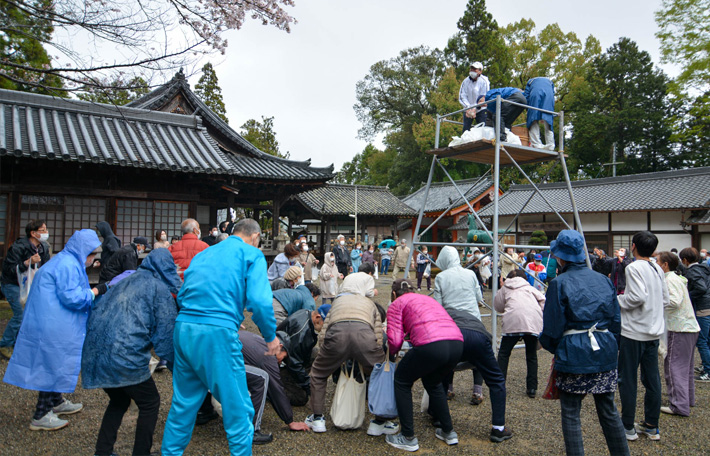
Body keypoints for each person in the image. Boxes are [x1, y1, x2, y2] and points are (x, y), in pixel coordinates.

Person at [160, 219, 279, 456]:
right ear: (255, 237)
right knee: (238, 409)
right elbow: (260, 301)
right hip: (217, 334)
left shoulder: (205, 252)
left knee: (183, 405)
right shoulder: (252, 255)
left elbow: (183, 294)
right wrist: (270, 336)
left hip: (184, 327)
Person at [539, 229, 629, 456]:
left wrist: (556, 348)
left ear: (559, 256)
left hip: (574, 351)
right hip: (604, 347)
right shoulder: (603, 280)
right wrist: (611, 345)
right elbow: (616, 321)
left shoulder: (559, 283)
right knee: (608, 410)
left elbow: (551, 328)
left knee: (571, 412)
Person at [81, 248, 180, 456]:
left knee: (119, 399)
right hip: (124, 355)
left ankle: (103, 451)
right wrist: (176, 365)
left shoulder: (125, 279)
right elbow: (164, 334)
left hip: (95, 350)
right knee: (150, 402)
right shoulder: (158, 288)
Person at [3, 229, 101, 431]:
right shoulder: (67, 265)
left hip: (51, 320)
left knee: (55, 363)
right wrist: (95, 291)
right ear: (83, 250)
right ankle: (40, 415)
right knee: (51, 366)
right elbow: (72, 298)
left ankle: (56, 402)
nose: (93, 258)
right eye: (92, 253)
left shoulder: (66, 260)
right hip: (53, 324)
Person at [385, 280, 463, 452]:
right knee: (433, 382)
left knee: (402, 380)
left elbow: (395, 340)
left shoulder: (397, 303)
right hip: (457, 343)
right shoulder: (428, 299)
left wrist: (390, 355)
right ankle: (448, 431)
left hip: (432, 344)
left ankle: (407, 436)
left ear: (393, 294)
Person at [305, 272, 386, 434]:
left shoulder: (337, 302)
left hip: (336, 336)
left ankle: (318, 418)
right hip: (364, 337)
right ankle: (379, 423)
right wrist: (374, 357)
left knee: (319, 374)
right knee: (381, 373)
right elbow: (378, 335)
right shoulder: (369, 303)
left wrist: (326, 352)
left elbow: (325, 331)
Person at [617, 231, 668, 441]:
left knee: (627, 379)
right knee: (652, 379)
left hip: (634, 332)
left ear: (634, 245)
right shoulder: (657, 267)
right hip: (653, 331)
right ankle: (651, 425)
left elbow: (636, 297)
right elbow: (665, 298)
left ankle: (628, 426)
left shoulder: (633, 267)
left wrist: (618, 300)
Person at [239, 330, 311, 444]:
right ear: (280, 346)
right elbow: (277, 390)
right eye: (283, 356)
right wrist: (290, 421)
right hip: (221, 362)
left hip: (209, 353)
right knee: (262, 378)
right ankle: (252, 431)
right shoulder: (269, 355)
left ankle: (205, 412)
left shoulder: (259, 340)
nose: (281, 361)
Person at [655, 251, 700, 416]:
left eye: (657, 261)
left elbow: (674, 301)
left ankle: (679, 405)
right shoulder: (677, 278)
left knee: (674, 367)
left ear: (665, 265)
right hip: (688, 327)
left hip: (679, 327)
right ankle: (687, 399)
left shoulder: (669, 280)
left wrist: (655, 302)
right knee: (685, 367)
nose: (655, 264)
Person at [0, 220, 51, 359]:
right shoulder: (18, 247)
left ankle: (17, 344)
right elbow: (8, 270)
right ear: (33, 233)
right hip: (12, 285)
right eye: (42, 230)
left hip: (31, 285)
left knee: (29, 315)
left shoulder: (43, 247)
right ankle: (4, 345)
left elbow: (46, 268)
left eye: (46, 229)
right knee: (20, 315)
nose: (46, 233)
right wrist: (27, 263)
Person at [494, 269, 545, 398]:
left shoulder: (505, 288)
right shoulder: (530, 288)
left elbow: (498, 306)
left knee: (504, 354)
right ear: (524, 278)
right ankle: (532, 388)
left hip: (513, 321)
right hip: (531, 322)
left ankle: (500, 385)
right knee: (531, 355)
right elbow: (544, 301)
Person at [275, 306, 330, 406]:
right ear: (318, 317)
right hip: (279, 363)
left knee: (317, 354)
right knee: (301, 398)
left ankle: (294, 380)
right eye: (325, 324)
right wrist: (309, 386)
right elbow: (294, 363)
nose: (325, 328)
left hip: (290, 355)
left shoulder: (306, 313)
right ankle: (272, 390)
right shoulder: (302, 334)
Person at [678, 247, 710, 382]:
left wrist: (687, 295)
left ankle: (708, 371)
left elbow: (701, 288)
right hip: (708, 305)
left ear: (685, 260)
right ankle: (706, 366)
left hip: (702, 308)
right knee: (707, 339)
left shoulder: (692, 271)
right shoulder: (704, 268)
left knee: (702, 341)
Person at [524, 77, 556, 150]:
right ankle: (551, 145)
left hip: (535, 93)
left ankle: (536, 144)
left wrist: (528, 111)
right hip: (549, 95)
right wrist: (542, 116)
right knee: (548, 119)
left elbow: (526, 97)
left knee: (533, 119)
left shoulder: (530, 81)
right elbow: (553, 93)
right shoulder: (550, 82)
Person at [459, 61, 490, 133]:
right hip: (468, 109)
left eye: (475, 69)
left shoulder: (484, 81)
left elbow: (483, 97)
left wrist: (475, 108)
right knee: (465, 130)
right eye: (471, 69)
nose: (472, 70)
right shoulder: (465, 81)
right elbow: (462, 96)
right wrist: (468, 107)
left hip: (481, 109)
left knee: (482, 129)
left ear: (480, 71)